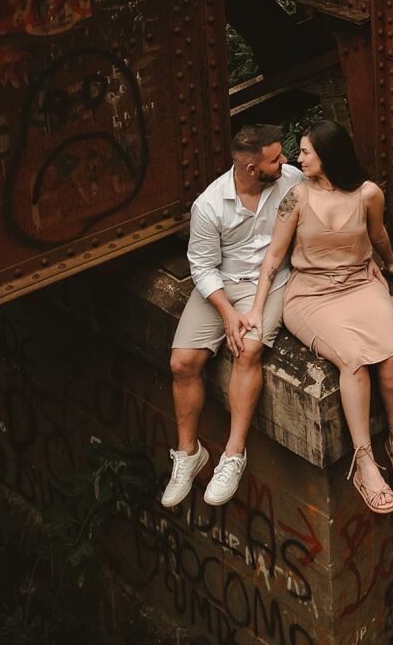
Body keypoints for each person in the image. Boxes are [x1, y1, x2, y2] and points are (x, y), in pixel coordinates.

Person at [242, 120, 393, 515]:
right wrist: (256, 307)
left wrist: (388, 265)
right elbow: (274, 257)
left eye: (305, 152)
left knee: (391, 357)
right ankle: (365, 463)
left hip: (359, 284)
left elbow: (378, 235)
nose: (298, 158)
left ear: (328, 155)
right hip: (310, 295)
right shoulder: (296, 198)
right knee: (353, 362)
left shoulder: (368, 194)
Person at [161, 123, 302, 510]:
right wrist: (226, 312)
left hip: (272, 282)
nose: (285, 161)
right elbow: (202, 267)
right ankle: (188, 453)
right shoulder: (209, 205)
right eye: (276, 158)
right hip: (223, 283)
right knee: (182, 362)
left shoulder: (291, 180)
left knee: (248, 350)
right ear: (252, 168)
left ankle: (233, 454)